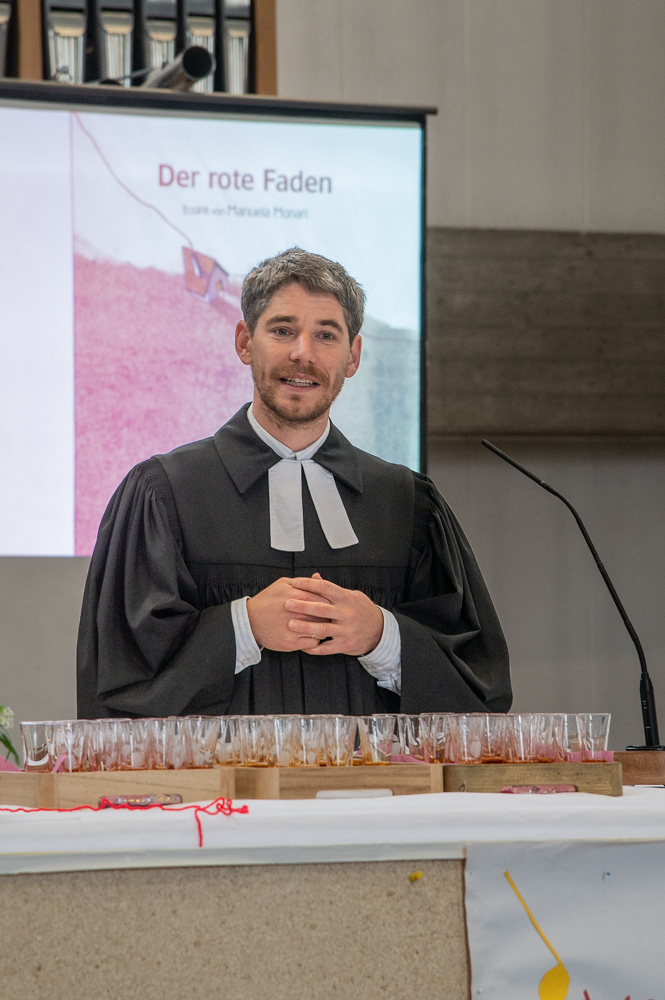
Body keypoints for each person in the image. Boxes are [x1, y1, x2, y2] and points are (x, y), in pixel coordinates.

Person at [77, 248, 511, 719]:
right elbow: (120, 682)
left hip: (370, 770)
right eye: (282, 330)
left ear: (352, 356)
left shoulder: (406, 503)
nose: (303, 353)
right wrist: (243, 628)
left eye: (326, 335)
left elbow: (478, 689)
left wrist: (381, 635)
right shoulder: (165, 494)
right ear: (245, 342)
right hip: (223, 770)